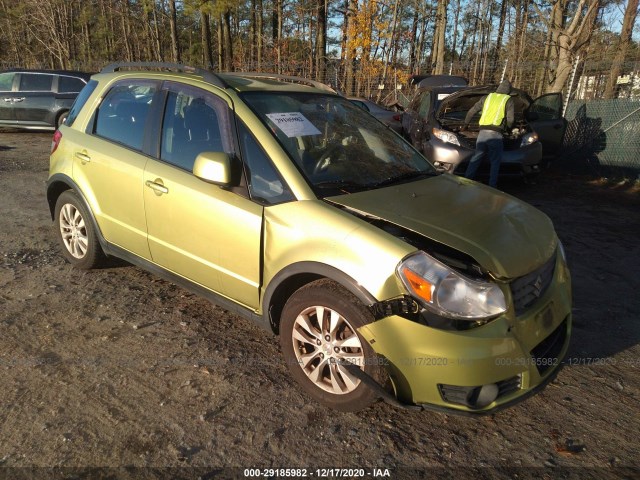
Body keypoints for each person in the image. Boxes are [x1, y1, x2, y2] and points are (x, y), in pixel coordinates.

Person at [463, 79, 515, 188]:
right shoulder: (508, 100)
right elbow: (511, 119)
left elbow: (472, 111)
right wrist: (509, 130)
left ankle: (466, 181)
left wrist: (465, 125)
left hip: (482, 133)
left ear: (498, 89)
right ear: (509, 91)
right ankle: (492, 186)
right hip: (496, 135)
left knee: (476, 157)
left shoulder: (487, 97)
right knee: (495, 162)